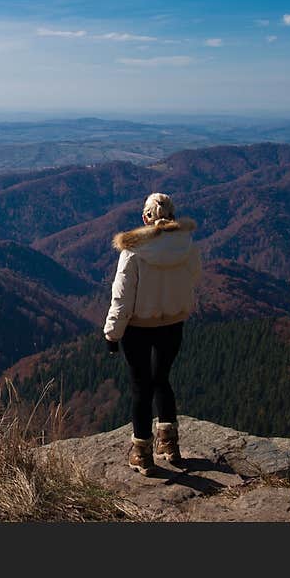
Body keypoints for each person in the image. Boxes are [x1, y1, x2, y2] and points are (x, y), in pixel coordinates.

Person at [103, 193, 201, 476]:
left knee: (140, 388)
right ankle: (169, 444)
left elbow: (121, 298)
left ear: (145, 217)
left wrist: (112, 334)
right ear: (172, 215)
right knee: (162, 380)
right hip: (173, 323)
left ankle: (142, 453)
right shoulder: (186, 245)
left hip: (138, 328)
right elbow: (193, 278)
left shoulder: (133, 251)